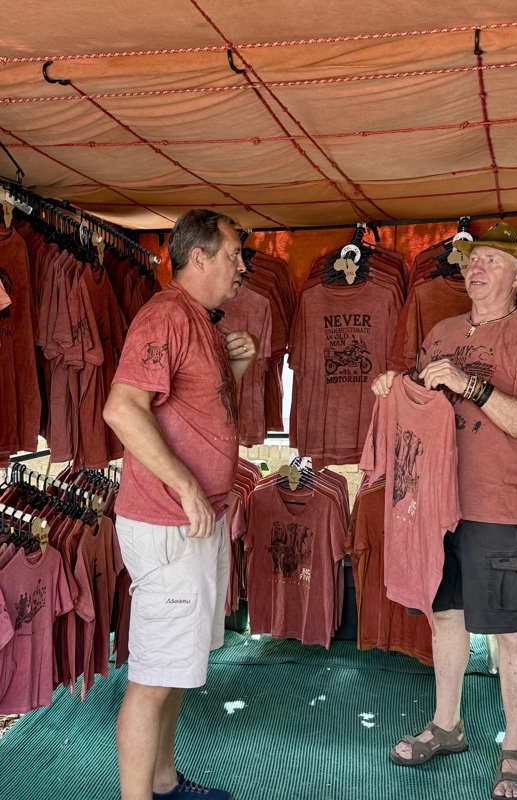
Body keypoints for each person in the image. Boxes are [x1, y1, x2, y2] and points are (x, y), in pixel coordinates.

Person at [371, 222, 517, 800]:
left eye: (487, 260)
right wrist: (396, 385)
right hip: (433, 505)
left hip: (499, 505)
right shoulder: (442, 329)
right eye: (469, 259)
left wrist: (471, 386)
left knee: (509, 631)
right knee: (446, 617)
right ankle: (448, 724)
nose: (472, 268)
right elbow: (424, 396)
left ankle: (515, 746)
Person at [103, 210, 257, 800]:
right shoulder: (165, 315)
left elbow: (201, 413)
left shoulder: (203, 323)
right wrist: (187, 486)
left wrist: (236, 366)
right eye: (234, 254)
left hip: (199, 521)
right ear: (199, 257)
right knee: (151, 678)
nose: (242, 267)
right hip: (170, 520)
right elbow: (122, 409)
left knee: (174, 671)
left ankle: (164, 782)